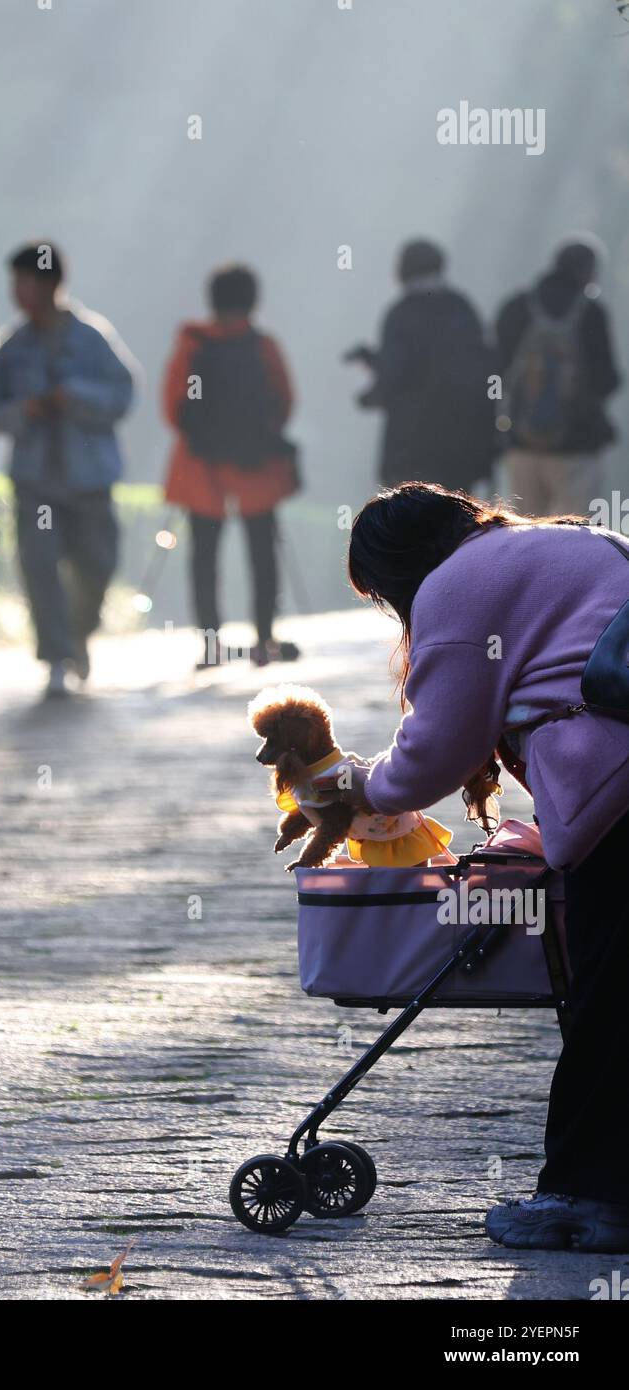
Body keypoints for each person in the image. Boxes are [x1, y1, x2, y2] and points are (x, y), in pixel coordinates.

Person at [319, 482, 629, 1252]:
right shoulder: (575, 541)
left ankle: (588, 1200)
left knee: (610, 995)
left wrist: (363, 786)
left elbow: (439, 748)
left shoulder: (458, 583)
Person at [0, 243, 137, 698]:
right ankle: (54, 655)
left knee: (97, 561)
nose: (17, 292)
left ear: (49, 283)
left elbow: (124, 393)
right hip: (34, 477)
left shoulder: (91, 336)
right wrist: (24, 410)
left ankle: (78, 633)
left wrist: (76, 396)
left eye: (24, 281)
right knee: (40, 564)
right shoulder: (12, 346)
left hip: (89, 474)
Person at [162, 264, 299, 670]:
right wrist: (259, 435)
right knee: (263, 554)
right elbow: (285, 399)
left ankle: (210, 644)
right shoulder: (263, 346)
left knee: (204, 558)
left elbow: (173, 406)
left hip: (201, 467)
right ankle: (263, 639)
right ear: (253, 301)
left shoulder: (192, 343)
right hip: (256, 465)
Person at [347, 239, 495, 493]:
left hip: (411, 449)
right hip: (461, 447)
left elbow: (395, 374)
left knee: (411, 523)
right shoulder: (462, 308)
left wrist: (368, 396)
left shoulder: (402, 313)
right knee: (457, 522)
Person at [495, 238, 622, 517]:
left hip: (521, 442)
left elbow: (495, 372)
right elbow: (607, 380)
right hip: (577, 446)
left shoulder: (517, 306)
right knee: (577, 534)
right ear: (587, 271)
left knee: (523, 532)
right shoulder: (591, 312)